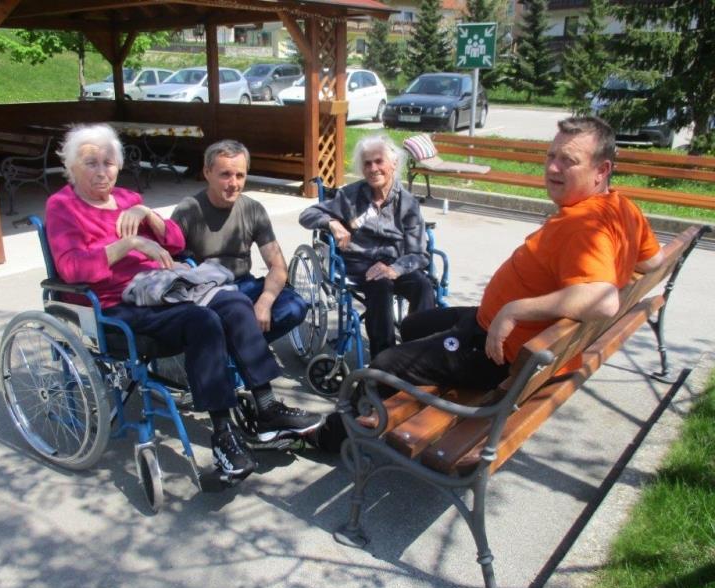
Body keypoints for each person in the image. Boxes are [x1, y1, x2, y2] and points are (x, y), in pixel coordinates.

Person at [45, 124, 322, 481]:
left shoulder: (127, 198)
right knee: (203, 322)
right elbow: (71, 269)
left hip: (162, 290)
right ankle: (223, 434)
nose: (102, 172)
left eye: (108, 163)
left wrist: (146, 213)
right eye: (91, 163)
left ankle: (266, 407)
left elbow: (175, 242)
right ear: (71, 167)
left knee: (235, 303)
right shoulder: (63, 206)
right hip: (116, 305)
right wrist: (129, 245)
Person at [369, 116, 665, 393]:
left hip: (495, 352)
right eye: (551, 156)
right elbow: (653, 261)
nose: (553, 168)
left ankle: (357, 424)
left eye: (569, 161)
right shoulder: (622, 208)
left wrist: (514, 310)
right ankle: (409, 390)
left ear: (602, 170)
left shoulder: (582, 226)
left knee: (381, 366)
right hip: (489, 323)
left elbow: (603, 300)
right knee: (413, 325)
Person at [298, 134, 435, 359]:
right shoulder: (349, 196)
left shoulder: (408, 203)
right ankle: (385, 359)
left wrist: (395, 269)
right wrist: (331, 222)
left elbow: (418, 253)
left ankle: (419, 353)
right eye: (367, 163)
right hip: (359, 265)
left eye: (379, 161)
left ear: (394, 164)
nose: (373, 169)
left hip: (396, 264)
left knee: (423, 286)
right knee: (380, 285)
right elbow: (307, 215)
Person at [171, 140, 307, 343]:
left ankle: (236, 345)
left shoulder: (253, 210)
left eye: (240, 175)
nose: (234, 183)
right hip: (204, 291)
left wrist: (265, 302)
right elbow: (165, 261)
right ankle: (242, 345)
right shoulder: (188, 210)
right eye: (225, 174)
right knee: (217, 322)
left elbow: (278, 266)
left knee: (295, 306)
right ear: (207, 172)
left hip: (243, 285)